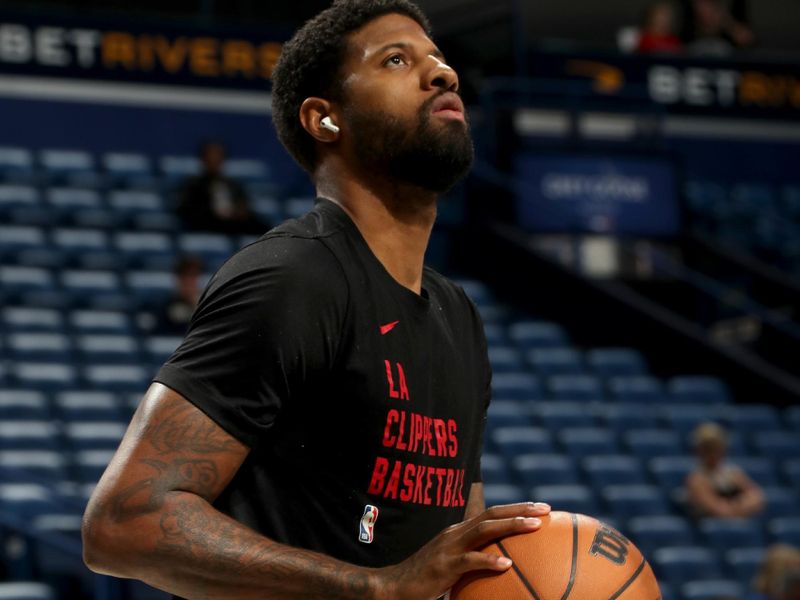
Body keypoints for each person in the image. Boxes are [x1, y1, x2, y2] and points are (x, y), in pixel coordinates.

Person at [81, 2, 551, 599]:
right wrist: (374, 588)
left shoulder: (458, 313)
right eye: (397, 60)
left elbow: (450, 542)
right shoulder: (294, 277)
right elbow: (122, 523)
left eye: (439, 59)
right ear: (325, 119)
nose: (443, 74)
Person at [176, 141, 268, 234]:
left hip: (234, 225)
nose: (215, 160)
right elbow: (186, 211)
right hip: (207, 225)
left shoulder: (232, 185)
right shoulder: (193, 185)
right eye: (211, 157)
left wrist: (239, 211)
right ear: (203, 159)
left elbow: (244, 206)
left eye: (218, 156)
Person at [685, 422, 765, 519]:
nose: (713, 453)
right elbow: (717, 509)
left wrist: (736, 507)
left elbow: (756, 497)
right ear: (698, 451)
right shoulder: (696, 479)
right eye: (708, 449)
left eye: (716, 448)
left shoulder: (733, 473)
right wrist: (739, 507)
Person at [680, 0, 755, 56]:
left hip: (728, 66)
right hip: (693, 67)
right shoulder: (686, 10)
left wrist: (725, 21)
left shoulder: (735, 6)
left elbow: (746, 39)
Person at [155, 256, 204, 335]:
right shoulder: (166, 306)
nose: (190, 281)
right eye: (186, 276)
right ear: (178, 279)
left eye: (194, 276)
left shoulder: (206, 303)